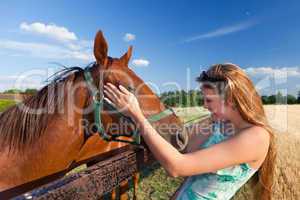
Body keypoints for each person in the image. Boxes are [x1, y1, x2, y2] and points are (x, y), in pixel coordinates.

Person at [103, 63, 276, 200]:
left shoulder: (256, 137)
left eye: (209, 100)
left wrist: (137, 115)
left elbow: (177, 166)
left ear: (230, 100)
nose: (204, 105)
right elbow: (179, 144)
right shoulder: (219, 125)